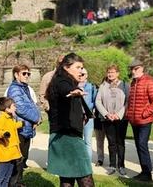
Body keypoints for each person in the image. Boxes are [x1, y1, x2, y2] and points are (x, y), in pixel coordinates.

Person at [46, 53, 94, 186]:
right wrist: (74, 90)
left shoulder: (62, 79)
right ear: (67, 67)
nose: (82, 71)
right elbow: (64, 88)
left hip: (62, 136)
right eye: (78, 67)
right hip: (68, 137)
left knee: (67, 179)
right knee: (85, 176)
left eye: (82, 67)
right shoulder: (63, 81)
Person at [125, 59, 153, 182]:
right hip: (134, 121)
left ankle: (147, 173)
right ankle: (144, 171)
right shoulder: (133, 82)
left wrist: (144, 113)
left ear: (141, 68)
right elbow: (131, 101)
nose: (133, 71)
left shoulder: (149, 81)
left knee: (142, 145)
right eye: (131, 69)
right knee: (139, 146)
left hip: (145, 120)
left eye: (135, 69)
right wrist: (129, 114)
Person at [6, 64, 41, 185]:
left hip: (25, 127)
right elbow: (21, 108)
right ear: (16, 75)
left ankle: (18, 182)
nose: (27, 76)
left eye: (28, 73)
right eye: (24, 73)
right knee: (18, 158)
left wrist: (37, 117)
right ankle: (14, 183)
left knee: (23, 156)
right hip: (19, 128)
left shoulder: (24, 87)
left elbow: (32, 104)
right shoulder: (15, 89)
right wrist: (36, 118)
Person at [95, 65, 129, 176]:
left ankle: (121, 165)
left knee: (120, 142)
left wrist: (118, 115)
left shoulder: (124, 85)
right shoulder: (103, 86)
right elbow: (98, 102)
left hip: (121, 119)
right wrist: (106, 114)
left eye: (113, 72)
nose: (110, 74)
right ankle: (112, 165)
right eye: (109, 72)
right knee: (111, 143)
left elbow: (128, 102)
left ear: (118, 73)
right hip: (107, 119)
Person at [0, 97, 23, 187]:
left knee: (7, 176)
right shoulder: (1, 118)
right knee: (1, 176)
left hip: (12, 152)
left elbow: (11, 127)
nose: (15, 107)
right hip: (4, 153)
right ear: (7, 108)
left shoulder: (9, 117)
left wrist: (20, 124)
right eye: (14, 106)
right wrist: (3, 134)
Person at [78, 69, 97, 161]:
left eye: (83, 74)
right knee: (77, 141)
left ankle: (87, 164)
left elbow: (95, 101)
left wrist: (87, 110)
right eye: (80, 74)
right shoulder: (73, 86)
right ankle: (79, 162)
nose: (81, 75)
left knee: (88, 142)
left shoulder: (91, 87)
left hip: (88, 118)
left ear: (87, 75)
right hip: (77, 117)